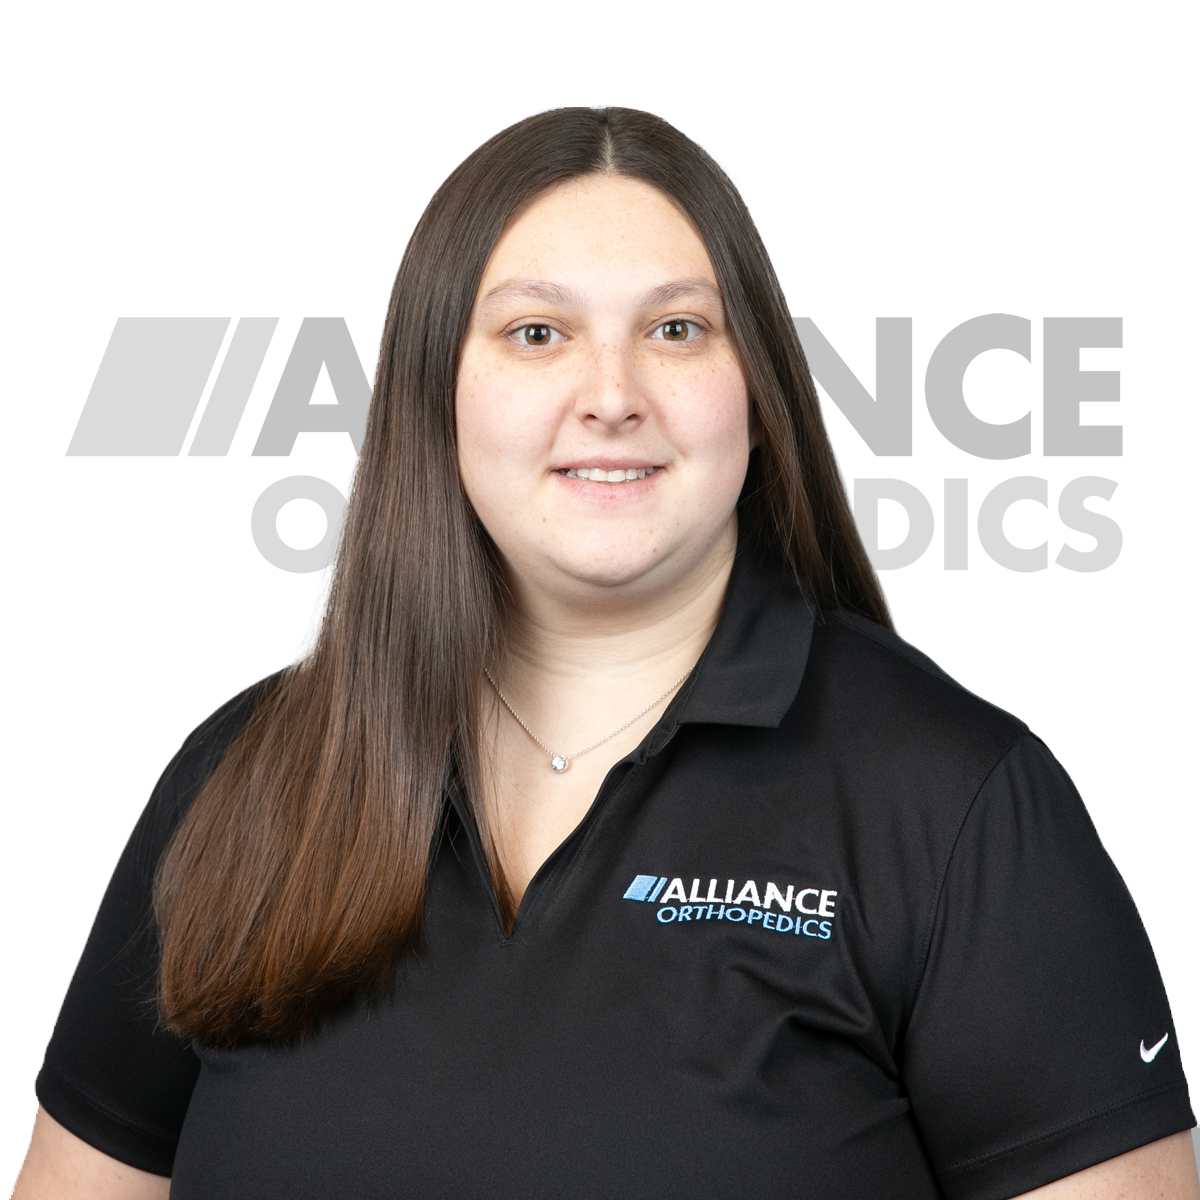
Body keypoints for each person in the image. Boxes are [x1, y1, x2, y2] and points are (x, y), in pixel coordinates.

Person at [14, 106, 1199, 1200]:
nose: (612, 394)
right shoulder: (246, 779)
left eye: (676, 329)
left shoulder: (954, 804)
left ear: (757, 391)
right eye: (537, 333)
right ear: (436, 391)